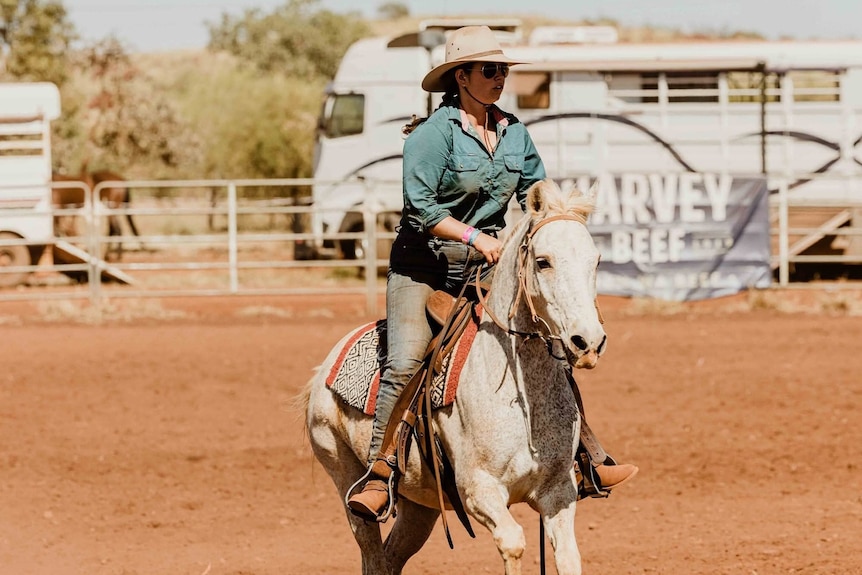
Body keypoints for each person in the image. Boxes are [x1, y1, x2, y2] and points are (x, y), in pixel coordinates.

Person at [347, 25, 637, 521]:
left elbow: (535, 189)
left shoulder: (514, 132)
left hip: (489, 270)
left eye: (503, 69)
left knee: (549, 343)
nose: (500, 78)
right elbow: (420, 209)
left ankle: (584, 456)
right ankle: (381, 471)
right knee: (406, 361)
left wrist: (552, 220)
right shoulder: (431, 137)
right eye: (490, 69)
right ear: (461, 76)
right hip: (423, 269)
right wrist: (477, 237)